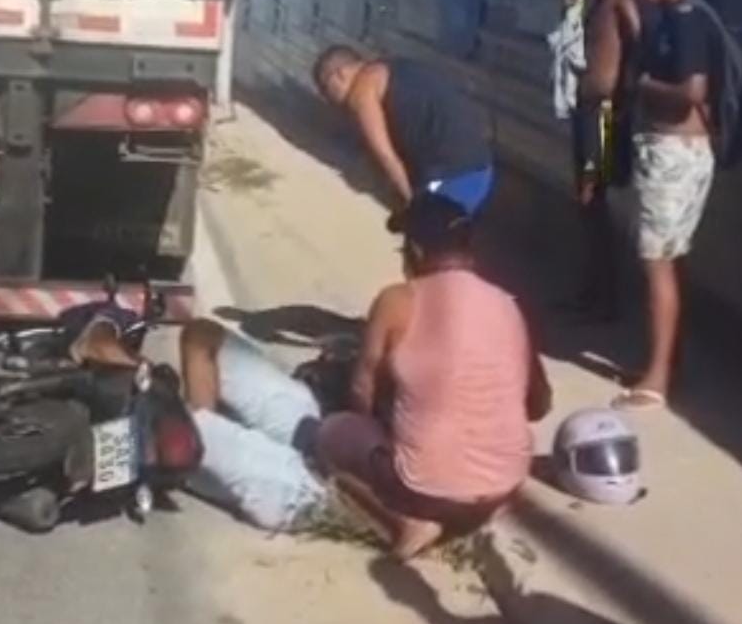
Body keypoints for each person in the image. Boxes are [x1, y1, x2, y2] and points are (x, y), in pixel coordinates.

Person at [179, 193, 552, 559]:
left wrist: (390, 414)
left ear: (416, 253)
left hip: (425, 489)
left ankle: (397, 520)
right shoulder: (508, 306)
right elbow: (538, 405)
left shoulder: (399, 300)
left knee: (335, 431)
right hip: (501, 486)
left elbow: (362, 394)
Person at [614, 0, 720, 410]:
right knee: (670, 259)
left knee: (656, 262)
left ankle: (656, 378)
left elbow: (691, 91)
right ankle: (667, 362)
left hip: (672, 152)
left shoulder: (684, 18)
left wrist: (642, 86)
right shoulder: (688, 16)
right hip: (684, 152)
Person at [312, 47, 495, 216]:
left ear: (340, 74)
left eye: (325, 90)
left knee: (428, 237)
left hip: (454, 174)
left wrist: (412, 205)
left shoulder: (362, 91)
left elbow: (385, 156)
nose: (329, 100)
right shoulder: (391, 68)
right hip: (480, 167)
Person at [567, 0, 641, 320]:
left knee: (593, 196)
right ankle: (591, 289)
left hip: (605, 114)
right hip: (587, 111)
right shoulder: (593, 4)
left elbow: (637, 36)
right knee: (586, 203)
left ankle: (606, 297)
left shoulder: (619, 4)